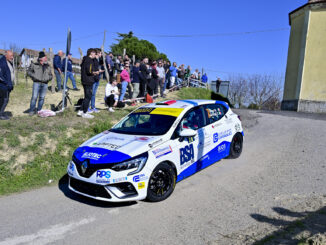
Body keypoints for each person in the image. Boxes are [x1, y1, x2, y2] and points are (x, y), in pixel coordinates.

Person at [27, 51, 53, 116]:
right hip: (36, 83)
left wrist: (48, 78)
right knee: (34, 97)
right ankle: (32, 110)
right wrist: (34, 77)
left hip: (45, 84)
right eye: (45, 57)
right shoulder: (34, 64)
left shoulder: (48, 65)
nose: (46, 59)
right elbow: (29, 72)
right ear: (41, 58)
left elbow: (51, 75)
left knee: (42, 97)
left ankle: (39, 111)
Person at [78, 48, 97, 119]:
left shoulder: (84, 60)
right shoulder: (89, 61)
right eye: (95, 53)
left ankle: (80, 111)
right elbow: (89, 71)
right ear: (91, 53)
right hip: (88, 80)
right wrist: (96, 72)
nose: (96, 55)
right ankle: (85, 112)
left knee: (86, 96)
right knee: (88, 96)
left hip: (84, 80)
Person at [0, 50, 14, 120]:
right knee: (4, 100)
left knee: (4, 100)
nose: (12, 57)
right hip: (3, 86)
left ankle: (1, 113)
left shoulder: (9, 62)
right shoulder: (1, 63)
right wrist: (6, 83)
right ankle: (1, 114)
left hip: (7, 86)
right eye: (11, 56)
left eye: (12, 55)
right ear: (6, 55)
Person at [89, 48, 104, 113]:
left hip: (97, 78)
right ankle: (88, 107)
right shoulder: (93, 60)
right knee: (91, 93)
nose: (101, 54)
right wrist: (98, 71)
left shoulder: (99, 60)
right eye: (100, 53)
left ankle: (93, 107)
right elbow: (92, 70)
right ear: (98, 53)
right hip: (93, 79)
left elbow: (102, 63)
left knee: (94, 94)